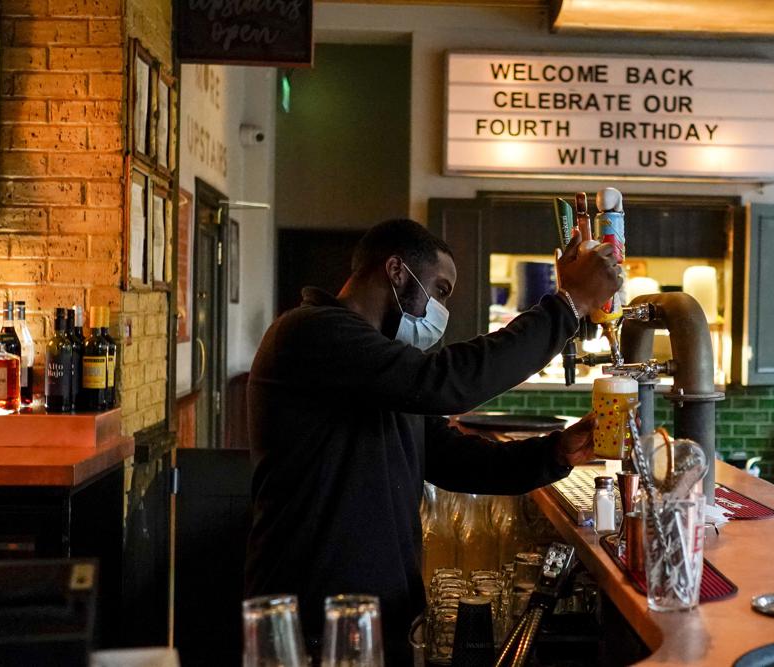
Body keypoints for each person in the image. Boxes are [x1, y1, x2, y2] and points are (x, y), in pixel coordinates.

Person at [245, 218, 621, 663]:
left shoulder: (381, 369)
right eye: (440, 290)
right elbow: (447, 382)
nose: (441, 310)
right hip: (315, 620)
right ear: (396, 272)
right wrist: (568, 305)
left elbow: (454, 459)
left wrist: (556, 452)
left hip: (380, 618)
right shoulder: (309, 332)